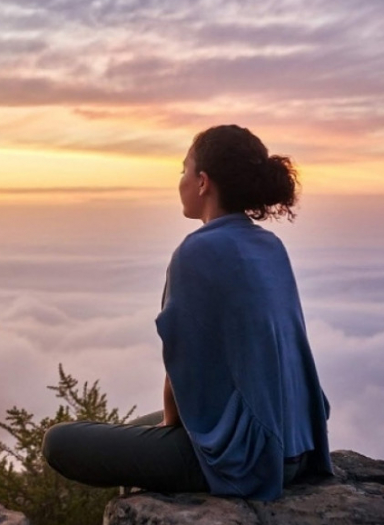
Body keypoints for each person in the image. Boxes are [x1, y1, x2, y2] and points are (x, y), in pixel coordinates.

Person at [41, 124, 332, 501]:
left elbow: (183, 366)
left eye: (184, 170)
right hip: (297, 445)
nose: (180, 180)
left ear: (203, 182)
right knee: (131, 429)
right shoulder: (269, 245)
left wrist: (171, 428)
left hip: (250, 460)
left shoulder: (197, 252)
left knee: (60, 442)